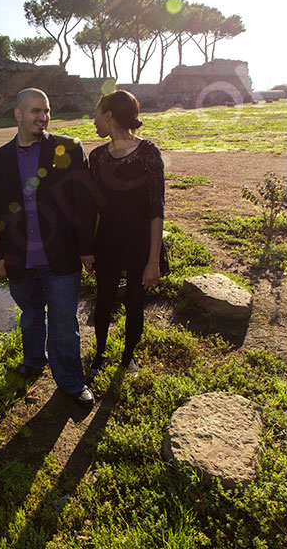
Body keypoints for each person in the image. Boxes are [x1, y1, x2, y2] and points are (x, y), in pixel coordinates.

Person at [0, 88, 97, 406]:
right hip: (19, 260)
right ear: (18, 114)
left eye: (46, 111)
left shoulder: (69, 149)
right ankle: (34, 361)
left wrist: (87, 248)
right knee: (31, 315)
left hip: (61, 257)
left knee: (63, 322)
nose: (43, 117)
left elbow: (84, 205)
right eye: (35, 111)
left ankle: (72, 382)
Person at [85, 90, 166, 378]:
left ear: (109, 116)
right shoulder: (95, 157)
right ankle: (98, 355)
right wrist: (88, 248)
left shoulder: (149, 153)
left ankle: (128, 357)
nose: (93, 121)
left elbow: (157, 209)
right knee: (104, 300)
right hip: (107, 241)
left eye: (96, 114)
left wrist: (153, 261)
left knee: (134, 303)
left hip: (140, 243)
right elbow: (93, 208)